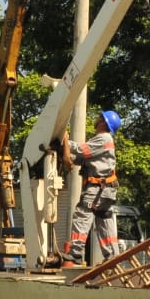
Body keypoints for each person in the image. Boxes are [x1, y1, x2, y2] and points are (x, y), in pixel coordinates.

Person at [61, 109, 121, 268]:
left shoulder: (103, 138)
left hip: (97, 188)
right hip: (106, 189)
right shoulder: (104, 140)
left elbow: (81, 150)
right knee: (104, 219)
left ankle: (75, 253)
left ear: (103, 122)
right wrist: (65, 153)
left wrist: (64, 140)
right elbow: (80, 158)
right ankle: (113, 256)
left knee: (83, 213)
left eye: (100, 117)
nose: (97, 119)